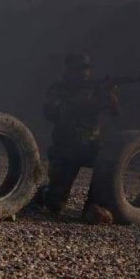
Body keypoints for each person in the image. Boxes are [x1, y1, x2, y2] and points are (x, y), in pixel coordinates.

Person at [32, 53, 119, 216]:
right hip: (65, 147)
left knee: (106, 169)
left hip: (91, 145)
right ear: (69, 70)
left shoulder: (96, 89)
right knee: (55, 203)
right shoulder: (59, 88)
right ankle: (43, 194)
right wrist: (82, 102)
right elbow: (49, 112)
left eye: (87, 68)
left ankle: (94, 204)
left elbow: (114, 112)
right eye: (79, 69)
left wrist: (109, 94)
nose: (84, 72)